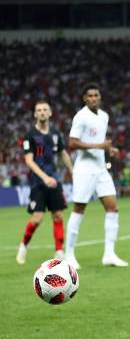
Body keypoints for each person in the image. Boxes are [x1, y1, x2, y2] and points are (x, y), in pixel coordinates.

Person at [64, 83, 128, 269]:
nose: (93, 98)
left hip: (101, 169)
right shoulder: (81, 117)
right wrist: (99, 146)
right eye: (89, 96)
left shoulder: (104, 116)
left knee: (113, 208)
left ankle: (109, 254)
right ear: (84, 99)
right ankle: (69, 254)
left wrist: (108, 148)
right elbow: (72, 144)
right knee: (79, 209)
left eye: (96, 95)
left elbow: (98, 141)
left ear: (100, 97)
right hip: (84, 169)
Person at [16, 100, 73, 264]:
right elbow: (29, 160)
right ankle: (23, 246)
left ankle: (59, 252)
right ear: (35, 114)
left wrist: (72, 170)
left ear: (50, 113)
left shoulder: (55, 133)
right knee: (37, 219)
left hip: (54, 181)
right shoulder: (30, 135)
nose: (41, 112)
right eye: (38, 110)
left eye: (44, 110)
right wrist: (44, 177)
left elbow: (63, 153)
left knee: (58, 216)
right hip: (38, 183)